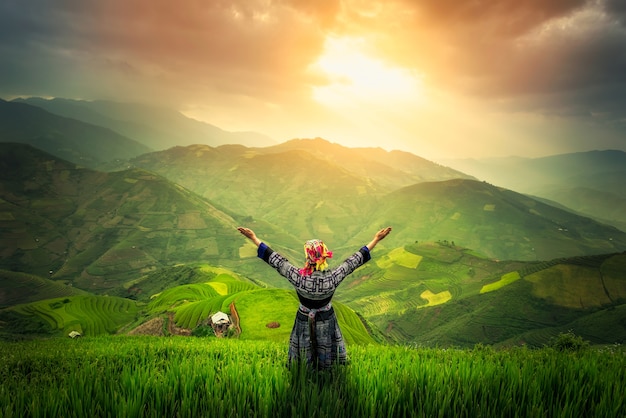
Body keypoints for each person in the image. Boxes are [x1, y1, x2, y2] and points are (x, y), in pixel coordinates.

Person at [237, 226, 392, 370]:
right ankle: (328, 370)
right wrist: (376, 239)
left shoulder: (298, 277)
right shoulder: (332, 277)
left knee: (302, 348)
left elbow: (276, 260)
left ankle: (302, 369)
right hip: (326, 318)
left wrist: (254, 238)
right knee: (327, 345)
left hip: (304, 318)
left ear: (308, 257)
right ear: (323, 256)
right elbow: (353, 261)